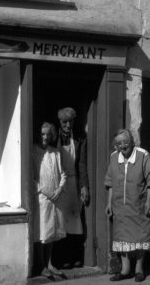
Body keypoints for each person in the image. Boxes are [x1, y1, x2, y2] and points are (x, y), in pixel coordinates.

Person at [104, 129, 150, 282]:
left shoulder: (143, 155)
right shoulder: (114, 157)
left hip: (139, 205)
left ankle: (139, 269)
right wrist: (109, 203)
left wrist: (149, 201)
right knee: (122, 236)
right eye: (119, 143)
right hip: (120, 206)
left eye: (125, 142)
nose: (122, 145)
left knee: (141, 235)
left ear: (132, 141)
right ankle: (125, 270)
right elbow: (110, 182)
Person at [55, 107, 90, 269]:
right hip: (59, 184)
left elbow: (82, 165)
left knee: (75, 221)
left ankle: (76, 256)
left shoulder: (80, 139)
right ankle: (62, 258)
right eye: (64, 122)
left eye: (70, 122)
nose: (68, 125)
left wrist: (84, 186)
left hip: (74, 182)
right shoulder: (54, 138)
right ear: (59, 122)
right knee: (61, 221)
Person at [33, 122, 67, 278]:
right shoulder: (33, 151)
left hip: (55, 198)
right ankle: (41, 265)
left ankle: (50, 263)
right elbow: (31, 176)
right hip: (42, 198)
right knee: (42, 232)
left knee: (52, 231)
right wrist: (44, 191)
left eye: (48, 134)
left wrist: (59, 189)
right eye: (42, 134)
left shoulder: (55, 153)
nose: (45, 137)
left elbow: (63, 174)